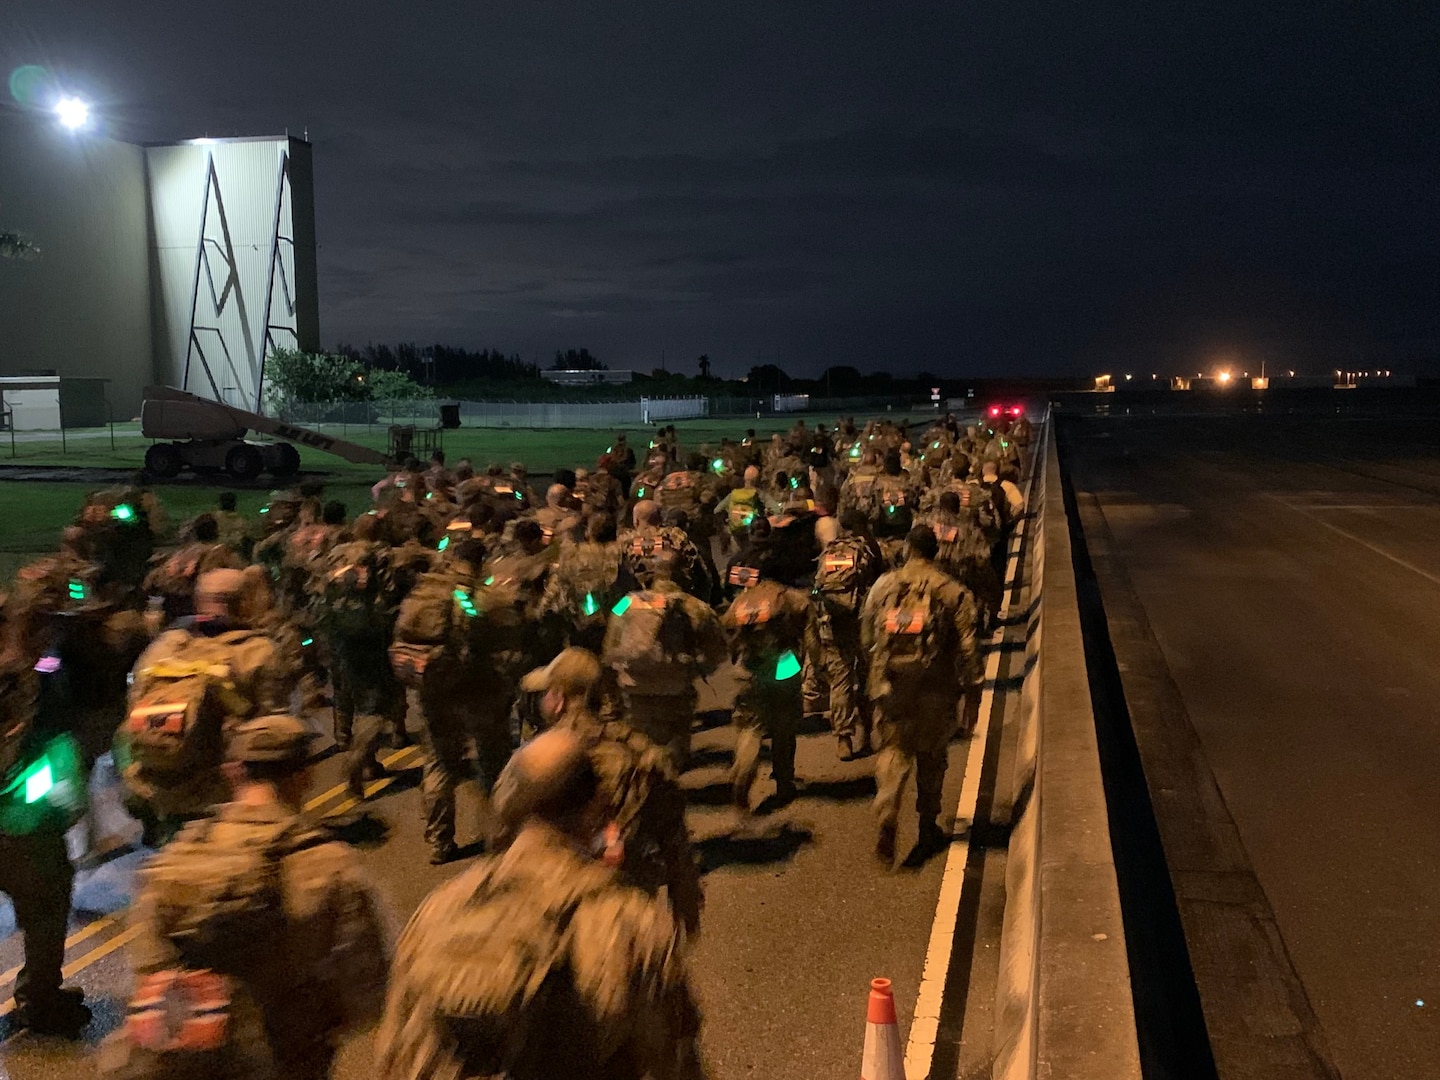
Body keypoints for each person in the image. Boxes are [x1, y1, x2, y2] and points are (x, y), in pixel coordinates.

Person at [374, 729, 707, 1080]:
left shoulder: (439, 908)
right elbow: (677, 1058)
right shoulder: (628, 920)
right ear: (595, 806)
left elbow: (395, 1051)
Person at [102, 714, 389, 1079]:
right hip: (292, 1056)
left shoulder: (176, 858)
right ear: (305, 776)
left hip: (200, 1064)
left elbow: (147, 972)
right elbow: (366, 995)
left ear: (233, 772)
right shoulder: (328, 864)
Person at [517, 647, 702, 936]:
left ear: (558, 701)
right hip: (628, 906)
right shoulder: (642, 751)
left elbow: (502, 835)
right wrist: (686, 908)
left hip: (556, 904)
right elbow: (674, 840)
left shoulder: (538, 759)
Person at [861, 526, 981, 864]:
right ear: (935, 553)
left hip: (892, 684)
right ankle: (927, 826)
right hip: (936, 687)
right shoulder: (952, 591)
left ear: (908, 549)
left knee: (895, 749)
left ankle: (887, 809)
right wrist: (973, 691)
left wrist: (876, 674)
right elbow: (969, 646)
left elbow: (867, 632)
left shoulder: (884, 586)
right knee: (931, 757)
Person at [0, 660, 92, 1036]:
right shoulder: (48, 738)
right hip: (31, 847)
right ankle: (38, 1000)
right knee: (45, 919)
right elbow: (71, 802)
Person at [601, 550, 727, 773]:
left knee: (639, 742)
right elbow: (716, 653)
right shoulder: (693, 606)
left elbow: (611, 641)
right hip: (675, 688)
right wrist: (692, 670)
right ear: (683, 573)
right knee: (673, 746)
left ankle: (643, 784)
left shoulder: (627, 602)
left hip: (634, 687)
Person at [721, 576, 811, 810]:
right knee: (784, 726)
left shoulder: (742, 600)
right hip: (784, 663)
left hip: (748, 666)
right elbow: (807, 629)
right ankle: (784, 783)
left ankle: (744, 767)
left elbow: (727, 629)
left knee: (750, 726)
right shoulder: (788, 598)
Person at [803, 509, 884, 760]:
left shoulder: (828, 553)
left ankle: (843, 739)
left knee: (841, 681)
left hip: (833, 623)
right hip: (861, 621)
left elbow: (817, 588)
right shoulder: (869, 548)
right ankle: (869, 732)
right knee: (868, 676)